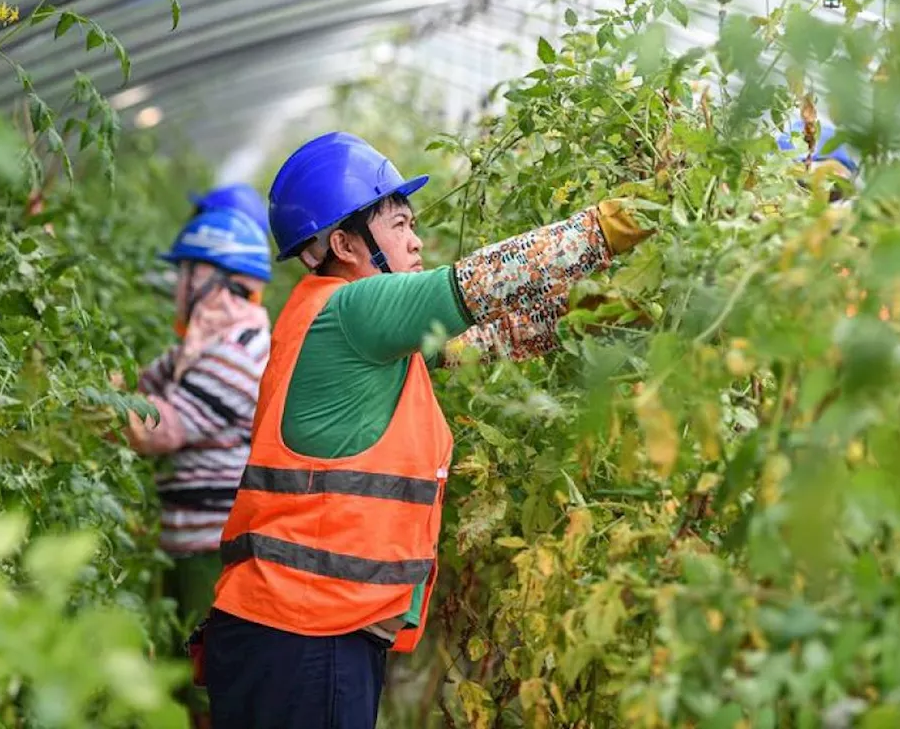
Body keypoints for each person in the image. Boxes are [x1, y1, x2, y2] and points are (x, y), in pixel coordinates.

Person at [196, 131, 656, 729]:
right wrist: (612, 227)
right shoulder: (354, 310)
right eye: (400, 225)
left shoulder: (350, 331)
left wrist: (597, 310)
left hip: (298, 631)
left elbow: (496, 336)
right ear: (344, 242)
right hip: (305, 632)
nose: (417, 240)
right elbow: (485, 281)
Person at [119, 207, 273, 729]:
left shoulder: (239, 351)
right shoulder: (203, 345)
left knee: (209, 685)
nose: (177, 286)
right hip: (187, 541)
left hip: (214, 549)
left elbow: (157, 427)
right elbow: (148, 380)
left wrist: (106, 402)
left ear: (209, 277)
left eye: (185, 272)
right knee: (184, 678)